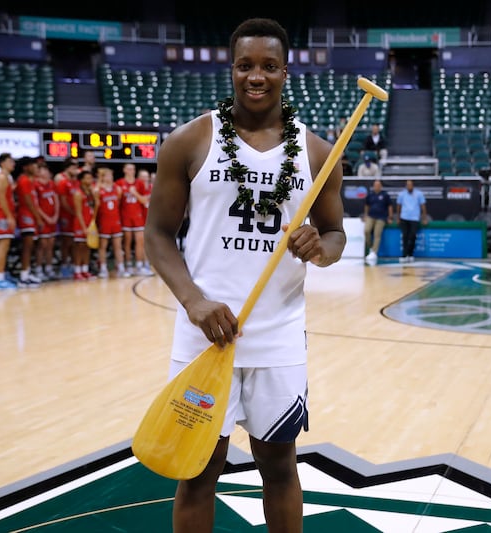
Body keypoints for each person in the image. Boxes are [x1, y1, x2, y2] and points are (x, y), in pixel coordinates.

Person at [144, 18, 345, 533]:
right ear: (231, 69)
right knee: (197, 472)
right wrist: (193, 301)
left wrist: (320, 248)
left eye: (269, 66)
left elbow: (336, 233)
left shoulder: (318, 153)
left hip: (277, 338)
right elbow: (159, 235)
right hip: (203, 340)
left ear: (285, 72)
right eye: (245, 65)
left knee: (279, 467)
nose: (257, 77)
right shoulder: (190, 141)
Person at [0, 153, 18, 290]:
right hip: (1, 214)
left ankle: (0, 275)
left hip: (4, 213)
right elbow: (1, 199)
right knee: (2, 244)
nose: (13, 163)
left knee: (5, 245)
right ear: (2, 163)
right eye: (10, 161)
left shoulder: (6, 178)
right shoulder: (0, 177)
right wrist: (9, 216)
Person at [116, 163, 150, 276]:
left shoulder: (139, 183)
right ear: (124, 170)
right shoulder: (119, 183)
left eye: (133, 169)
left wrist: (135, 193)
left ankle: (140, 266)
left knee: (140, 241)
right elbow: (117, 201)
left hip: (138, 216)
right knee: (127, 242)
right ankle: (128, 265)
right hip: (125, 216)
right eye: (129, 169)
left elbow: (144, 200)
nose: (132, 171)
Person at [14, 157, 44, 288]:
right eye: (33, 165)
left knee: (32, 246)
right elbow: (28, 201)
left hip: (31, 215)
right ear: (26, 167)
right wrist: (38, 217)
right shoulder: (24, 181)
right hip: (26, 216)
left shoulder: (31, 181)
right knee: (27, 246)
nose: (36, 167)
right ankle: (23, 276)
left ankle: (27, 272)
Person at [95, 166, 126, 278]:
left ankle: (121, 268)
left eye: (111, 175)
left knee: (118, 245)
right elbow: (96, 204)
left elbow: (118, 203)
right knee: (103, 246)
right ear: (103, 177)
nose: (110, 177)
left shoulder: (117, 188)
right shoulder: (98, 189)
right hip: (104, 220)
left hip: (115, 220)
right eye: (108, 175)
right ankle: (103, 268)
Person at [33, 162, 60, 280]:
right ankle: (38, 269)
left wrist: (55, 215)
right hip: (43, 220)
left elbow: (56, 200)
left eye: (46, 170)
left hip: (53, 218)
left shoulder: (52, 184)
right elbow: (36, 204)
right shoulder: (35, 185)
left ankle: (49, 268)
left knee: (51, 244)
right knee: (42, 244)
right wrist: (45, 217)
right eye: (43, 170)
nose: (46, 172)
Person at [55, 157, 81, 279]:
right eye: (74, 167)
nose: (76, 169)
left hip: (75, 215)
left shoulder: (75, 181)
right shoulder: (61, 179)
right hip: (66, 215)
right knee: (66, 241)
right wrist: (72, 212)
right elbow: (62, 200)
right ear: (68, 167)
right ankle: (64, 265)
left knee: (74, 242)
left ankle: (72, 264)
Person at [72, 169, 99, 280]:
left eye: (91, 178)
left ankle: (85, 270)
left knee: (88, 246)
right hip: (81, 222)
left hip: (90, 222)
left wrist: (95, 196)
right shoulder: (78, 193)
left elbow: (97, 205)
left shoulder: (91, 192)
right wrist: (83, 227)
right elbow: (78, 212)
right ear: (81, 180)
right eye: (87, 178)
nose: (90, 180)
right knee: (80, 247)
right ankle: (77, 270)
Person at [396, 179, 427, 263]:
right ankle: (404, 255)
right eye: (407, 185)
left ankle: (410, 254)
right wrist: (398, 217)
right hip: (404, 217)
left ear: (413, 185)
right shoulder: (401, 194)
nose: (409, 186)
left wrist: (424, 218)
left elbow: (422, 206)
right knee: (405, 236)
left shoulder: (419, 194)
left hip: (414, 218)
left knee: (412, 236)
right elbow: (399, 206)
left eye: (410, 185)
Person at [363, 179, 393, 265]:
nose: (377, 186)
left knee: (377, 234)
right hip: (371, 216)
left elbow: (390, 206)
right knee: (366, 231)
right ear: (373, 186)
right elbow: (367, 205)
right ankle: (371, 248)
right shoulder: (370, 195)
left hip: (381, 217)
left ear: (381, 186)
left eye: (378, 185)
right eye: (375, 185)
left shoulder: (385, 195)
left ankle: (374, 253)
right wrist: (365, 215)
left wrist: (390, 217)